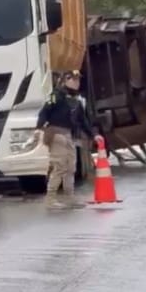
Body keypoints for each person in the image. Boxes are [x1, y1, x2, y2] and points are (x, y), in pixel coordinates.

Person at [35, 70, 103, 209]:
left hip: (69, 135)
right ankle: (50, 198)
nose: (76, 82)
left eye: (78, 79)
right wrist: (38, 128)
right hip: (56, 133)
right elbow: (45, 111)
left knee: (71, 167)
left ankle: (69, 197)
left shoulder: (77, 100)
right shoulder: (56, 95)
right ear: (65, 80)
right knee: (59, 166)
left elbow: (83, 121)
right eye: (72, 79)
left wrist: (93, 134)